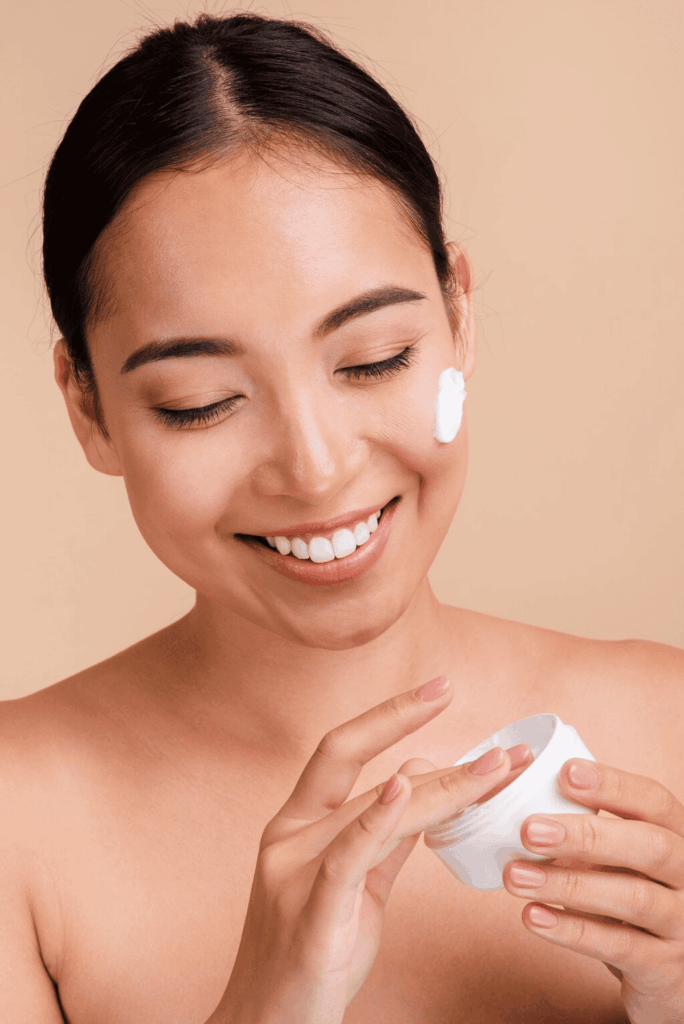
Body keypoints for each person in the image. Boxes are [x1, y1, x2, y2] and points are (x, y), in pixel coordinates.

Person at [2, 11, 683, 1023]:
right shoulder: (18, 822)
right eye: (199, 401)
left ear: (457, 316)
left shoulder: (669, 726)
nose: (316, 472)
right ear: (89, 407)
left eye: (374, 360)